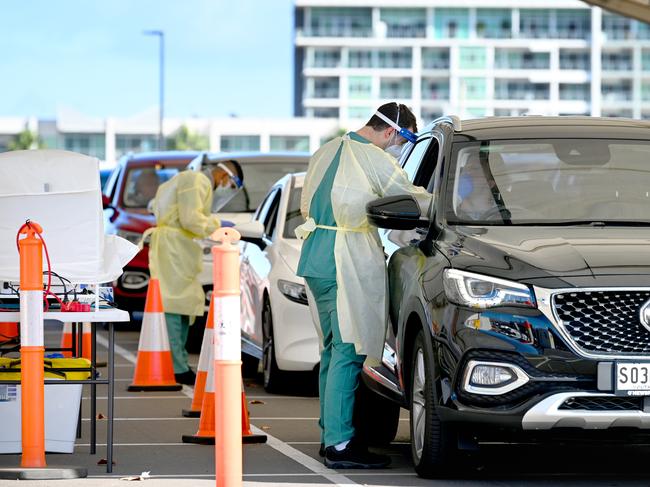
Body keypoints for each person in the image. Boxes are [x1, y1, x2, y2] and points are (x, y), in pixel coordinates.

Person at [295, 102, 433, 469]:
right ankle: (340, 445)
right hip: (345, 258)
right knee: (349, 350)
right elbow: (410, 199)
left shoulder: (325, 151)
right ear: (391, 131)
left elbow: (306, 203)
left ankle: (330, 435)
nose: (398, 147)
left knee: (331, 349)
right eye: (402, 139)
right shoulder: (375, 158)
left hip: (315, 256)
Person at [146, 161, 243, 385]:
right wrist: (218, 225)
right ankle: (175, 366)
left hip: (176, 245)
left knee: (182, 301)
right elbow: (191, 218)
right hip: (173, 246)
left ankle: (177, 362)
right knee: (174, 301)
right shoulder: (196, 180)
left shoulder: (189, 180)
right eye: (232, 185)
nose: (228, 189)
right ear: (223, 175)